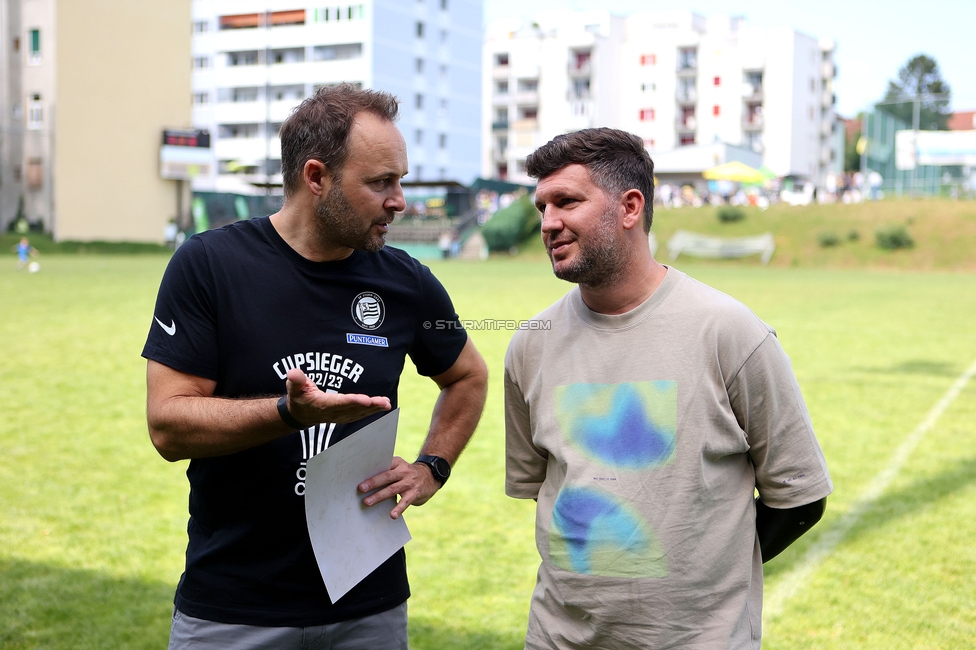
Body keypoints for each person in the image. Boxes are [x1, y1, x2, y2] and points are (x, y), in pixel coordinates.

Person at [143, 83, 488, 649]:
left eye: (400, 181)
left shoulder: (407, 282)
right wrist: (287, 413)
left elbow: (468, 375)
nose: (399, 200)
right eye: (381, 183)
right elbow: (167, 425)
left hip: (369, 607)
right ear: (316, 177)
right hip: (234, 609)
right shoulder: (209, 265)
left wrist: (433, 466)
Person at [504, 128, 832, 649]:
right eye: (542, 206)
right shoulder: (529, 344)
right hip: (557, 638)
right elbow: (543, 486)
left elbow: (799, 497)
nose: (548, 223)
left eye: (566, 201)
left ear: (630, 206)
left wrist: (706, 574)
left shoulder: (729, 331)